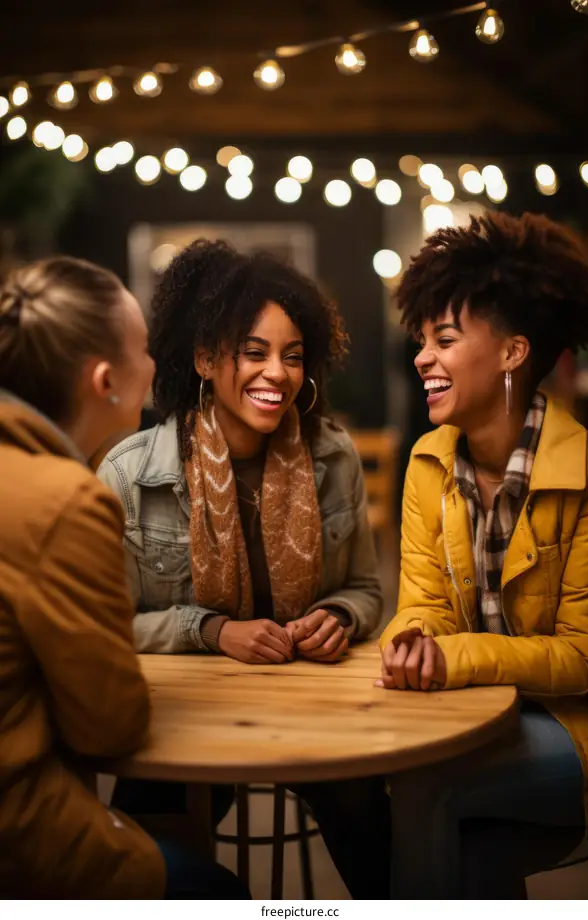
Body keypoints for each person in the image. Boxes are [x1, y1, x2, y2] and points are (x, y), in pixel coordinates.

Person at [98, 238, 390, 898]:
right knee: (148, 848)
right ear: (204, 358)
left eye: (292, 356)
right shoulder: (132, 475)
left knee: (376, 827)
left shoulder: (332, 455)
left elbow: (369, 590)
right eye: (254, 352)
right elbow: (109, 629)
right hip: (185, 714)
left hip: (313, 708)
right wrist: (208, 630)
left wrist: (340, 615)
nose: (277, 374)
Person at [0, 256, 249, 899]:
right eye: (144, 352)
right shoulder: (69, 501)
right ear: (106, 380)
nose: (155, 369)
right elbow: (108, 726)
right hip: (20, 836)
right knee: (218, 893)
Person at [378, 210, 588, 898]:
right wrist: (412, 638)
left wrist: (452, 658)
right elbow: (422, 601)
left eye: (444, 338)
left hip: (573, 728)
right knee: (444, 847)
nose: (421, 357)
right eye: (420, 339)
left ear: (511, 352)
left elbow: (584, 656)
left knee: (425, 786)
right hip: (471, 712)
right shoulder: (426, 463)